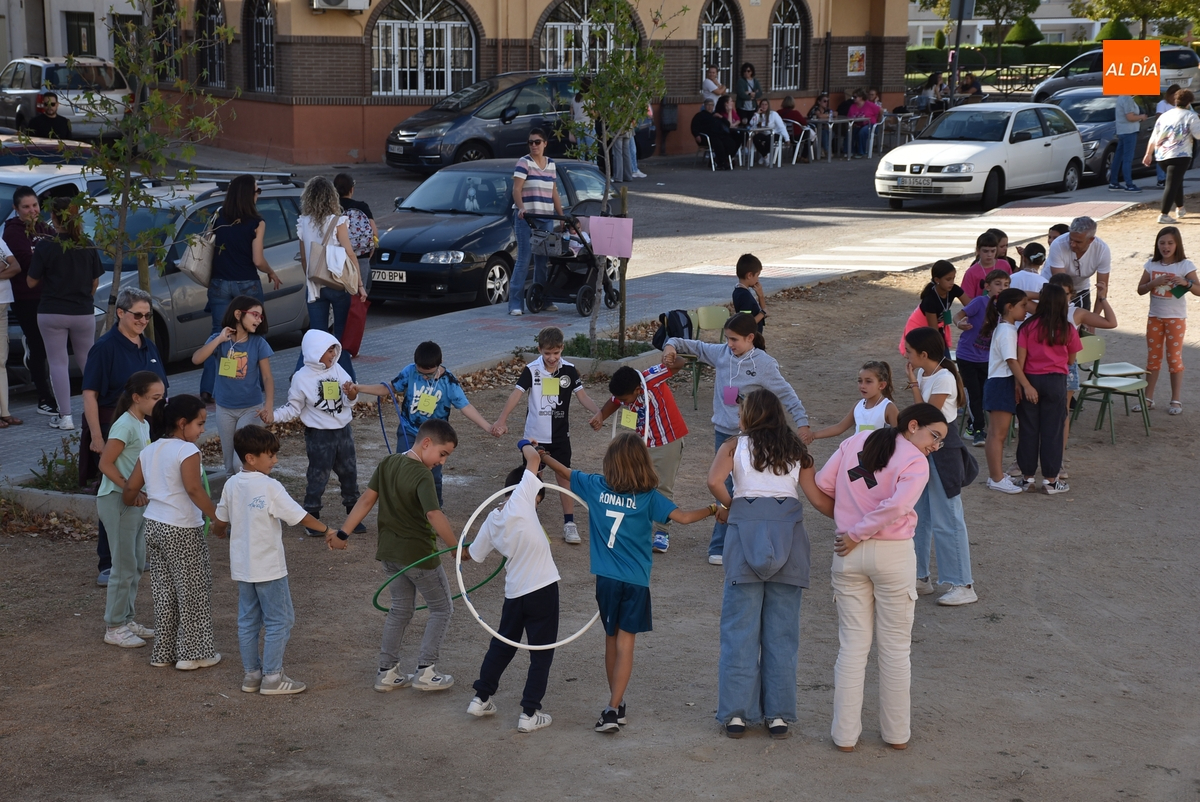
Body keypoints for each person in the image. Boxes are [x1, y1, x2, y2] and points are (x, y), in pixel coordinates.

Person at [539, 432, 718, 733]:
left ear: (611, 463)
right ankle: (613, 706)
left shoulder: (595, 486)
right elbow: (685, 518)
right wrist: (714, 510)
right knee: (626, 644)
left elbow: (564, 472)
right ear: (643, 464)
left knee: (610, 639)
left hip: (606, 580)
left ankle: (615, 706)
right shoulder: (649, 498)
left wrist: (542, 455)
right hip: (636, 582)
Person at [813, 403, 948, 752]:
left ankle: (844, 736)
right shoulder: (916, 462)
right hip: (892, 554)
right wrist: (858, 531)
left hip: (847, 554)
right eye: (934, 436)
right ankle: (896, 734)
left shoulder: (856, 442)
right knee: (894, 650)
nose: (935, 445)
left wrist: (849, 526)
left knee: (852, 648)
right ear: (913, 425)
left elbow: (823, 485)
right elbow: (899, 506)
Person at [707, 390, 827, 740]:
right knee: (782, 633)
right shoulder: (797, 452)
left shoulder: (733, 447)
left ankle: (736, 714)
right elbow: (818, 499)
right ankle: (777, 714)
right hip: (789, 544)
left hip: (745, 540)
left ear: (749, 416)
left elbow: (714, 481)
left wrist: (735, 507)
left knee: (739, 630)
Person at [661, 313, 811, 565]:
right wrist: (669, 349)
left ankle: (738, 540)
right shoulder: (720, 353)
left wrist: (802, 422)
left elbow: (786, 393)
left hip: (751, 436)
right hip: (723, 433)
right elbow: (680, 342)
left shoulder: (764, 363)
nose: (729, 344)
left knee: (743, 485)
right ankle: (719, 546)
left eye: (735, 339)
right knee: (724, 487)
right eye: (728, 338)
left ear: (750, 338)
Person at [340, 419, 467, 694]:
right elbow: (433, 514)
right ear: (426, 443)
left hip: (390, 554)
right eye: (442, 454)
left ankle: (386, 672)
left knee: (400, 609)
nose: (442, 462)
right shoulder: (422, 475)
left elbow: (366, 500)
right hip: (419, 555)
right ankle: (427, 670)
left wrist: (343, 533)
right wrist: (456, 546)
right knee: (442, 608)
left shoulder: (387, 463)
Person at [215, 425, 339, 697]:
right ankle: (272, 676)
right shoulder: (270, 487)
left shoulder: (231, 484)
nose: (275, 460)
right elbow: (300, 516)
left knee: (248, 621)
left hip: (243, 567)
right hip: (269, 567)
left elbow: (220, 521)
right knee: (280, 620)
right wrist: (327, 530)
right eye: (270, 455)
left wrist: (220, 530)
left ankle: (252, 675)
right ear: (251, 457)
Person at [122, 395, 222, 671]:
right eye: (200, 423)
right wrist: (217, 517)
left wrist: (134, 500)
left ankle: (163, 652)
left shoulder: (150, 450)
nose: (202, 429)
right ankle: (193, 654)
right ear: (182, 423)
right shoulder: (187, 451)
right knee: (193, 591)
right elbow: (193, 488)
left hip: (153, 525)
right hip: (181, 528)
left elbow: (130, 488)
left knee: (165, 592)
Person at [466, 442, 559, 733]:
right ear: (536, 494)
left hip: (514, 592)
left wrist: (454, 551)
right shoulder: (524, 496)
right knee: (541, 653)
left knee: (503, 644)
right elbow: (532, 460)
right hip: (542, 588)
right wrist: (526, 445)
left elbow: (473, 555)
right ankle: (529, 713)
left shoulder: (493, 518)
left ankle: (481, 697)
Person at [82, 287, 169, 586]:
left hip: (146, 429)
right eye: (138, 315)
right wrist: (96, 436)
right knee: (115, 494)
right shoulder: (104, 348)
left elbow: (162, 392)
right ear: (120, 312)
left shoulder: (149, 346)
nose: (143, 320)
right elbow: (90, 394)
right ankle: (108, 563)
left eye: (147, 315)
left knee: (142, 492)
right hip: (113, 429)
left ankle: (134, 555)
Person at [492, 326, 601, 544]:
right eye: (547, 353)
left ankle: (569, 523)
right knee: (533, 479)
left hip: (560, 438)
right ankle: (529, 520)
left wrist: (599, 412)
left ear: (562, 349)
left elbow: (583, 397)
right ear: (539, 349)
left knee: (564, 477)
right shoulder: (531, 370)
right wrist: (501, 419)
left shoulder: (569, 371)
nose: (552, 358)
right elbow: (516, 395)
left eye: (556, 353)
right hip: (535, 438)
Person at [356, 340, 495, 504]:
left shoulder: (448, 381)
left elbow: (465, 406)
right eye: (420, 371)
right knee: (403, 469)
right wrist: (359, 388)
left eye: (428, 374)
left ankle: (435, 509)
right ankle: (403, 509)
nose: (423, 376)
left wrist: (488, 427)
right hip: (409, 431)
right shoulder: (410, 371)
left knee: (432, 476)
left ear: (440, 363)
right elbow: (388, 388)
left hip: (435, 437)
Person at [903, 327, 979, 607]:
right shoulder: (926, 373)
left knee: (948, 518)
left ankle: (963, 583)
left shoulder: (944, 377)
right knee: (919, 514)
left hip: (943, 451)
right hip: (924, 450)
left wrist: (912, 384)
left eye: (909, 351)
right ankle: (921, 577)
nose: (906, 355)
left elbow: (927, 416)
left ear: (924, 354)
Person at [588, 363, 689, 553]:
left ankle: (662, 531)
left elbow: (678, 365)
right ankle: (633, 525)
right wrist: (601, 415)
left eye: (626, 399)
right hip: (642, 442)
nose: (624, 403)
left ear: (637, 389)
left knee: (662, 485)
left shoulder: (651, 377)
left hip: (667, 440)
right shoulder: (625, 391)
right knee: (635, 482)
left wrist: (672, 354)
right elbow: (615, 400)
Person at [198, 174, 281, 404]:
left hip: (219, 283)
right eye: (257, 190)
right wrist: (271, 272)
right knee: (254, 332)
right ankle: (255, 382)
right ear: (248, 194)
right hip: (246, 283)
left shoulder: (219, 217)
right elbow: (257, 259)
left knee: (218, 334)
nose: (258, 194)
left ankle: (208, 389)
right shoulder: (257, 222)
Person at [96, 371, 164, 648]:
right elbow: (105, 463)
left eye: (162, 397)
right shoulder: (125, 425)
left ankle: (126, 619)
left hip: (134, 501)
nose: (160, 402)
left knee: (135, 563)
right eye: (155, 398)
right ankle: (114, 626)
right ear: (137, 398)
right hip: (118, 500)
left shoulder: (142, 423)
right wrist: (128, 489)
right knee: (123, 566)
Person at [273, 330, 362, 535]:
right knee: (318, 474)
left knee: (349, 472)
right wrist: (273, 416)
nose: (332, 354)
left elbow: (349, 401)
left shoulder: (339, 370)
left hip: (343, 431)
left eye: (334, 349)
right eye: (328, 350)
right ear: (314, 352)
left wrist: (352, 394)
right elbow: (293, 408)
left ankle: (354, 515)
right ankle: (312, 515)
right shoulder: (301, 378)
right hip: (319, 435)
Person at [29, 196, 103, 432]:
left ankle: (66, 417)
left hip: (52, 311)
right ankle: (99, 410)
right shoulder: (87, 243)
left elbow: (31, 282)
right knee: (87, 361)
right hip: (82, 310)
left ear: (52, 217)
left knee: (57, 362)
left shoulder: (45, 245)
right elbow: (95, 281)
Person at [190, 295, 275, 476]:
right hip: (225, 408)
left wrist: (268, 406)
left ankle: (250, 496)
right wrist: (219, 340)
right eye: (255, 315)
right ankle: (233, 501)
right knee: (229, 465)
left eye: (261, 316)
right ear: (238, 314)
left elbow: (267, 378)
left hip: (251, 409)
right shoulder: (219, 340)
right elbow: (196, 359)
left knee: (241, 463)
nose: (259, 319)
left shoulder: (258, 343)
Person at [1015, 283, 1081, 495]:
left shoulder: (1027, 327)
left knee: (1028, 429)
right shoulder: (1068, 328)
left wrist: (1022, 383)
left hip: (1031, 379)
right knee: (1053, 431)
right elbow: (1072, 359)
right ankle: (1051, 480)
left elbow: (1021, 359)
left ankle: (1027, 478)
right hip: (1055, 381)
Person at [297, 176, 364, 381]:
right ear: (331, 197)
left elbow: (304, 259)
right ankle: (346, 380)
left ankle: (304, 377)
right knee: (340, 336)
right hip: (337, 283)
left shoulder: (303, 222)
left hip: (315, 285)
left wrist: (313, 278)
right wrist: (360, 284)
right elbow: (350, 253)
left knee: (316, 336)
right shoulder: (338, 220)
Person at [1135, 226, 1200, 415]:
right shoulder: (1152, 264)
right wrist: (1152, 283)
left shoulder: (1185, 265)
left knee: (1174, 358)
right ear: (1157, 244)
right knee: (1153, 359)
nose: (1166, 246)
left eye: (1170, 243)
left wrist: (1186, 283)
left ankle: (1176, 400)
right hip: (1154, 317)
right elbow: (1140, 289)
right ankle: (1148, 398)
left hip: (1176, 319)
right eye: (1162, 242)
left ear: (1177, 244)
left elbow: (1198, 289)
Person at [4, 186, 56, 416]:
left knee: (51, 346)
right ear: (16, 209)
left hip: (51, 295)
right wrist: (49, 260)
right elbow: (28, 262)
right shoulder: (12, 232)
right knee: (38, 344)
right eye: (26, 207)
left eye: (34, 205)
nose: (32, 210)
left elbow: (61, 255)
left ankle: (54, 391)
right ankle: (44, 397)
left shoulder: (46, 228)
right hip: (27, 297)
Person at [981, 288, 1032, 494]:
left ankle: (997, 476)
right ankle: (996, 478)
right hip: (1002, 382)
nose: (1026, 310)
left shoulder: (1005, 328)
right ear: (1010, 308)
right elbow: (1012, 361)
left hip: (1000, 382)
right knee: (997, 435)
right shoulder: (1007, 331)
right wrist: (1026, 384)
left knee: (996, 434)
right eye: (1022, 306)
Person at [509, 128, 565, 316]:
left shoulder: (551, 164)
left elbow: (554, 192)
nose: (534, 145)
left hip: (547, 217)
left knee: (543, 260)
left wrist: (562, 215)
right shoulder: (524, 163)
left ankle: (543, 299)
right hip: (527, 218)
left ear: (545, 144)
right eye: (531, 142)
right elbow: (516, 190)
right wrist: (522, 207)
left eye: (537, 142)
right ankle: (515, 304)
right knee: (524, 259)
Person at [954, 269, 1012, 445]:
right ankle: (979, 431)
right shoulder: (980, 302)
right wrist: (959, 323)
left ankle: (972, 426)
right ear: (987, 286)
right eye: (998, 284)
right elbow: (958, 315)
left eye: (1006, 285)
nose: (1002, 288)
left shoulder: (1006, 308)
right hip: (967, 356)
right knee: (974, 394)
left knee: (985, 393)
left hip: (987, 358)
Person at [1143, 89, 1200, 223]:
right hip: (1180, 154)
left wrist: (1148, 153)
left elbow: (1154, 136)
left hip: (1162, 154)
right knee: (1172, 183)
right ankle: (1164, 214)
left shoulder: (1165, 116)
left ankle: (1180, 208)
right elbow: (1198, 135)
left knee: (1176, 180)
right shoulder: (1190, 116)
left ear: (1176, 100)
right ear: (1189, 102)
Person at [811, 362, 899, 440]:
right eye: (860, 381)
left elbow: (900, 435)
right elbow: (840, 427)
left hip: (879, 456)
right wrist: (813, 435)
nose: (862, 386)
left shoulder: (888, 407)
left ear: (881, 385)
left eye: (868, 381)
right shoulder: (858, 406)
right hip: (857, 454)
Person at [1046, 216, 1110, 312]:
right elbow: (1061, 285)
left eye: (1078, 242)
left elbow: (1102, 289)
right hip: (1056, 289)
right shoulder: (1058, 244)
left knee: (1084, 325)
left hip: (1081, 287)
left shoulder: (1102, 250)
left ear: (1091, 240)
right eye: (1071, 239)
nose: (1072, 244)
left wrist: (1093, 320)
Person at [900, 260, 964, 355]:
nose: (952, 282)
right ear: (937, 280)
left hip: (936, 329)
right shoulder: (930, 300)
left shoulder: (953, 289)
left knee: (943, 360)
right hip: (920, 330)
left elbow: (971, 305)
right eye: (948, 279)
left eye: (953, 279)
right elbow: (934, 331)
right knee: (928, 358)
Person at [334, 172, 378, 283]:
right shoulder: (361, 206)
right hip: (361, 256)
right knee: (360, 292)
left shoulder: (331, 208)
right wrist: (368, 253)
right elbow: (375, 234)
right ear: (351, 189)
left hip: (336, 258)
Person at [0, 231, 20, 429]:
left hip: (3, 303)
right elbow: (5, 265)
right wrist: (4, 266)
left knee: (1, 360)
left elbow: (15, 267)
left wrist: (5, 266)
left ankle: (5, 412)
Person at [959, 231, 1008, 303]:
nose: (989, 255)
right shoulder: (971, 272)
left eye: (993, 251)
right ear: (978, 250)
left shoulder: (1004, 265)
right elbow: (968, 300)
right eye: (985, 251)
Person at [1110, 95, 1147, 192]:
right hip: (1129, 131)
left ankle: (1113, 182)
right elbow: (1130, 117)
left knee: (1118, 158)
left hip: (1122, 131)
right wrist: (1141, 117)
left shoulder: (1121, 97)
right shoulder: (1127, 98)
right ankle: (1129, 184)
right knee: (1127, 159)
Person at [731, 253, 767, 333]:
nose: (758, 279)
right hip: (750, 337)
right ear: (749, 275)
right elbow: (746, 323)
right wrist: (763, 313)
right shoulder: (744, 295)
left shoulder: (740, 291)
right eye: (757, 275)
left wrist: (760, 296)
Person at [749, 98, 790, 164]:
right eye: (762, 104)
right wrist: (757, 114)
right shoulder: (759, 115)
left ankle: (764, 155)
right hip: (764, 133)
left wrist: (787, 138)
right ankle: (765, 156)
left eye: (766, 105)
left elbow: (781, 126)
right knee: (756, 138)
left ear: (768, 106)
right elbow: (751, 123)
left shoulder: (773, 114)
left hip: (775, 133)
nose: (764, 106)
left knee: (769, 138)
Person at [1155, 85, 1180, 188]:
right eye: (1173, 96)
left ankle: (1172, 178)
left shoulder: (1179, 104)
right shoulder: (1162, 104)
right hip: (1165, 134)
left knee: (1175, 157)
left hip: (1177, 134)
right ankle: (1161, 179)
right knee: (1163, 156)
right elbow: (1159, 118)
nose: (1175, 99)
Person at [847, 89, 881, 159]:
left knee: (862, 132)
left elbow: (881, 110)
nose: (853, 98)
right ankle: (849, 151)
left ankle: (861, 152)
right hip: (858, 124)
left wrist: (878, 121)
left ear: (861, 97)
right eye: (853, 97)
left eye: (855, 97)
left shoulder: (869, 105)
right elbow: (849, 117)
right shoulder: (852, 106)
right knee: (850, 131)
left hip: (870, 124)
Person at [777, 97, 813, 163]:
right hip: (795, 136)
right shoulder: (795, 113)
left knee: (799, 136)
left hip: (784, 136)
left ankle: (795, 156)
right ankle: (804, 156)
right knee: (808, 134)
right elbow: (804, 122)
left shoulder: (778, 112)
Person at [809, 93, 833, 157]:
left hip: (823, 128)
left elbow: (834, 113)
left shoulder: (826, 109)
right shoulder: (815, 108)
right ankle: (826, 150)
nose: (826, 103)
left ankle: (823, 149)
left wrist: (828, 115)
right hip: (813, 129)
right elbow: (819, 115)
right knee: (824, 133)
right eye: (824, 101)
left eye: (827, 101)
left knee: (831, 133)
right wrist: (828, 115)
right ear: (819, 102)